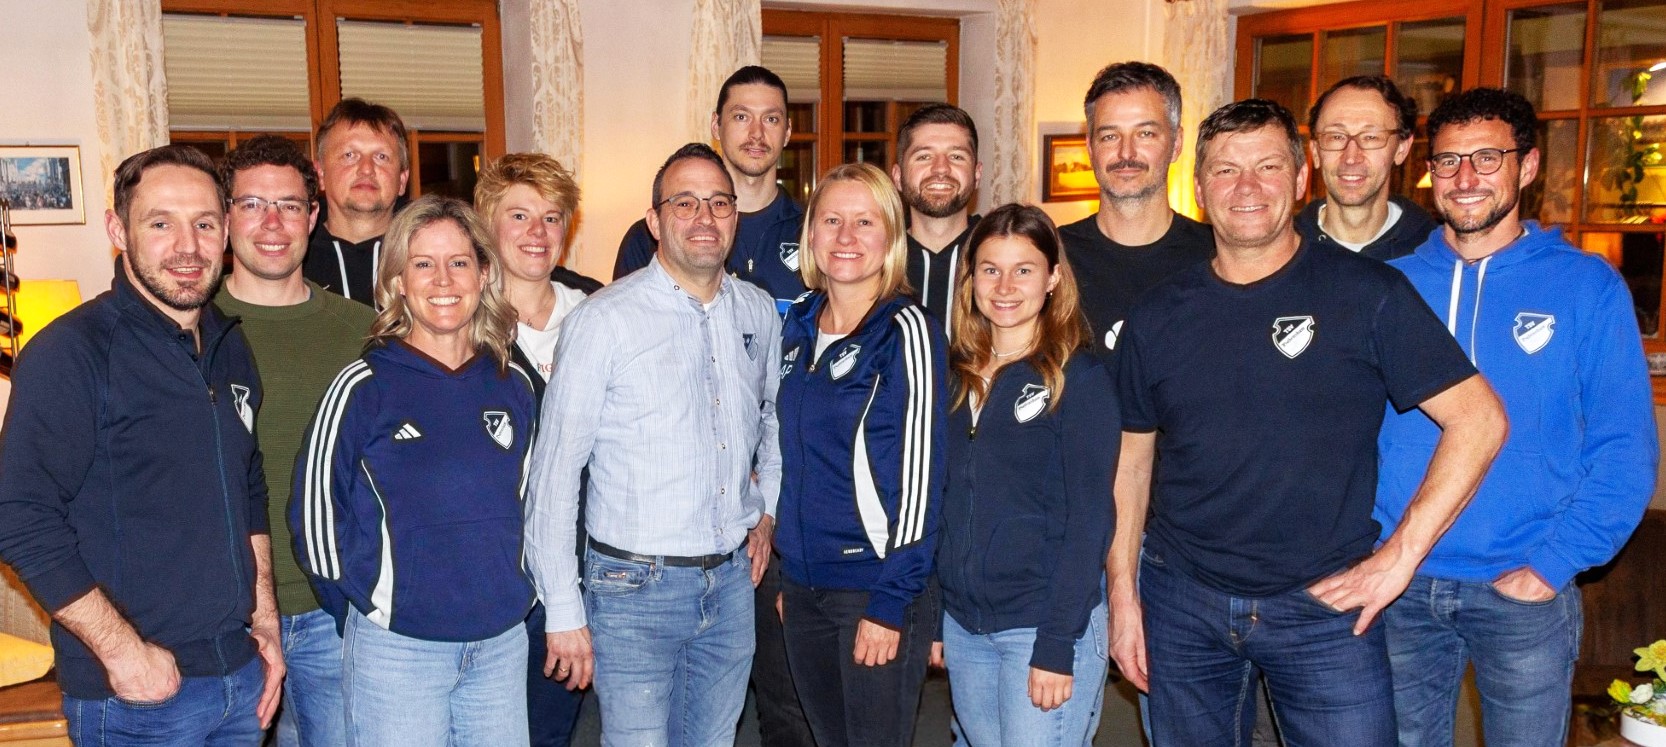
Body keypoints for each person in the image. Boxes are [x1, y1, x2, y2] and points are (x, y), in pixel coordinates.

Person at [1109, 99, 1509, 746]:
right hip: (1182, 599)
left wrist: (1399, 558)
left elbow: (1479, 420)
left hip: (1325, 605)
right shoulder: (1157, 314)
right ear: (1200, 188)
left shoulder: (1368, 293)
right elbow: (1131, 462)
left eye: (1268, 167)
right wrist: (1123, 595)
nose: (1246, 187)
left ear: (1300, 179)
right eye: (1226, 170)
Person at [1377, 87, 1658, 747]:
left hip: (1524, 586)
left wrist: (1555, 562)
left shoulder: (1586, 286)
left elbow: (1624, 447)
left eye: (1487, 158)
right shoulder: (1388, 285)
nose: (1465, 177)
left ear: (1527, 166)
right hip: (1398, 581)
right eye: (1448, 161)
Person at [0, 144, 282, 743]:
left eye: (204, 223)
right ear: (117, 230)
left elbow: (248, 488)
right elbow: (19, 516)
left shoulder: (229, 344)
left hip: (239, 680)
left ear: (226, 231)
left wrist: (266, 623)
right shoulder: (71, 353)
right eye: (160, 224)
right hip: (137, 700)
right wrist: (123, 654)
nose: (188, 246)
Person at [527, 143, 782, 746]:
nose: (704, 217)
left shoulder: (758, 311)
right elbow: (555, 475)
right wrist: (562, 608)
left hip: (730, 587)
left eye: (719, 203)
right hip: (631, 590)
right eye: (684, 203)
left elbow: (772, 422)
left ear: (735, 217)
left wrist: (766, 511)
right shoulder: (604, 320)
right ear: (654, 221)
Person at [291, 195, 536, 745]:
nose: (443, 280)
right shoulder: (363, 386)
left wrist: (521, 594)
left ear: (484, 274)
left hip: (501, 645)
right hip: (398, 652)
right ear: (399, 280)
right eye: (423, 263)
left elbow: (532, 506)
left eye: (459, 262)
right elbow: (314, 519)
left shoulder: (513, 385)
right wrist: (369, 607)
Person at [776, 162, 947, 747]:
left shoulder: (906, 329)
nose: (846, 236)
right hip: (804, 588)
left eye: (864, 221)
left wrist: (890, 601)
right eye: (831, 220)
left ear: (891, 236)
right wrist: (794, 571)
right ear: (811, 234)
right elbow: (792, 456)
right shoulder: (798, 325)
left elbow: (923, 476)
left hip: (874, 588)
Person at [212, 135, 376, 747]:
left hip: (338, 613)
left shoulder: (364, 331)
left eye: (288, 205)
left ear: (313, 216)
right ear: (226, 218)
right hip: (226, 621)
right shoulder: (192, 329)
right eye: (253, 205)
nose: (273, 223)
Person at [936, 203, 1117, 746]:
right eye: (990, 269)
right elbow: (938, 502)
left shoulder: (1078, 378)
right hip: (965, 626)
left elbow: (1091, 520)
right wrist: (935, 613)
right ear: (970, 279)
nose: (1005, 286)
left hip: (1042, 627)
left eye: (1024, 269)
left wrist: (1057, 645)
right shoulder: (952, 375)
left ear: (1053, 277)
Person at [473, 152, 600, 746]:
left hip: (588, 564)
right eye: (519, 215)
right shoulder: (460, 323)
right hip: (498, 573)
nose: (537, 232)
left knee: (555, 730)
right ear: (487, 224)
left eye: (552, 218)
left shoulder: (598, 311)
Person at [614, 66, 807, 312]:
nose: (756, 133)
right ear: (716, 125)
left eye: (771, 119)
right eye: (741, 117)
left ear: (787, 131)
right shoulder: (652, 236)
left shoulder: (814, 232)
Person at [1059, 61, 1213, 365]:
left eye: (1145, 134)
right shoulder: (1052, 256)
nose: (1126, 153)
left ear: (1177, 143)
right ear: (1090, 148)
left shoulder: (1216, 255)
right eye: (1110, 136)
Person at [1295, 75, 1439, 261]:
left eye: (1371, 137)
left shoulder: (1434, 254)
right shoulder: (1280, 252)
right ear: (1315, 151)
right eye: (1336, 137)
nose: (1351, 158)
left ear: (1402, 149)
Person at [303, 97, 411, 305]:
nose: (366, 169)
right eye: (350, 155)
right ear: (321, 175)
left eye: (381, 157)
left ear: (402, 180)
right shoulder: (293, 257)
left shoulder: (431, 256)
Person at [893, 103, 982, 329]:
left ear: (977, 174)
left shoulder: (1002, 256)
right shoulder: (875, 259)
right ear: (898, 176)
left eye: (956, 156)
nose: (941, 169)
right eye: (924, 156)